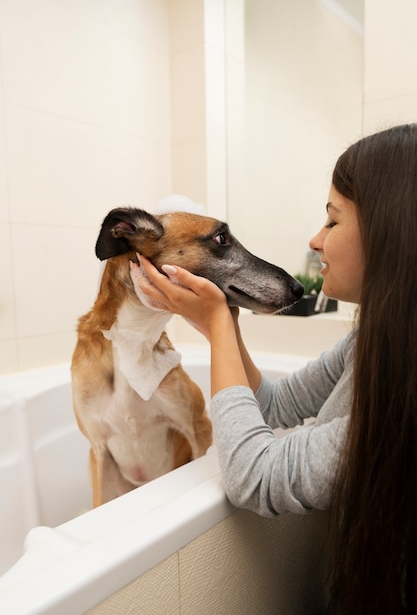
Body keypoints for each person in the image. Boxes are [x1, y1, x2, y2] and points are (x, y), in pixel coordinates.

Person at [135, 124, 417, 613]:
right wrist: (222, 325)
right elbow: (277, 408)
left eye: (332, 222)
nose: (314, 240)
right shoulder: (374, 340)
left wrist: (219, 330)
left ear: (392, 229)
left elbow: (255, 476)